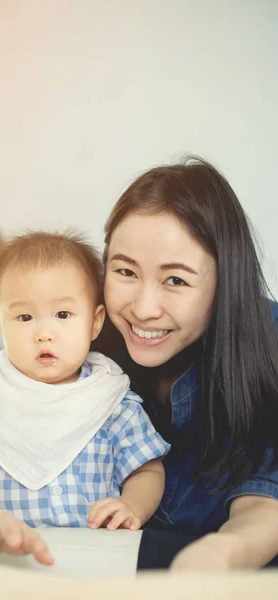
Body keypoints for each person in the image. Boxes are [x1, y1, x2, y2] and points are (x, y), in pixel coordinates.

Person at [0, 231, 169, 565]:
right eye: (25, 317)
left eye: (63, 315)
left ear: (95, 323)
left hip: (94, 559)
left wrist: (132, 506)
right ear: (1, 324)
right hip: (8, 557)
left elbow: (147, 470)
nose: (44, 333)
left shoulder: (112, 401)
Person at [92, 156, 278, 570]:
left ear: (225, 282)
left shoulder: (269, 344)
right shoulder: (85, 339)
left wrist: (209, 562)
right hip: (101, 566)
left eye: (175, 280)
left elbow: (264, 509)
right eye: (125, 271)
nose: (143, 308)